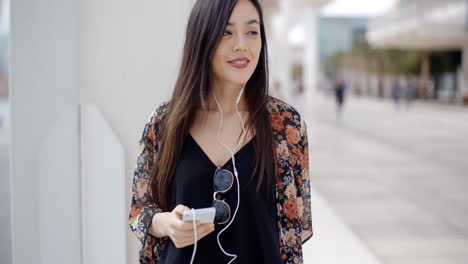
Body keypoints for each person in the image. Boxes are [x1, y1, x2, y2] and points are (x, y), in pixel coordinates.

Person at [128, 0, 313, 263]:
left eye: (252, 31)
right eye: (227, 32)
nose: (242, 44)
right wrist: (167, 224)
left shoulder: (285, 126)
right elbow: (138, 211)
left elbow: (293, 235)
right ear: (203, 38)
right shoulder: (164, 123)